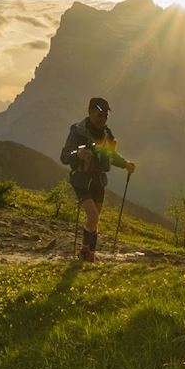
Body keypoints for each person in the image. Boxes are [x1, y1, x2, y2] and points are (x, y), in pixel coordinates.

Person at [60, 97, 136, 262]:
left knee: (94, 221)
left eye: (105, 116)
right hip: (80, 179)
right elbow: (64, 156)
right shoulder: (77, 131)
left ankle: (88, 254)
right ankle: (86, 253)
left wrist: (125, 164)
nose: (103, 119)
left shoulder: (106, 134)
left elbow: (111, 155)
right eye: (99, 115)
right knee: (93, 217)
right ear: (90, 113)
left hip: (99, 180)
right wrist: (77, 154)